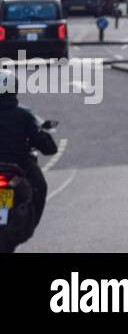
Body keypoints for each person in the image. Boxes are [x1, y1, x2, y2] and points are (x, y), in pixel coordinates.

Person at [0, 68, 58, 236]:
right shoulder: (23, 115)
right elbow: (48, 148)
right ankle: (30, 225)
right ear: (14, 89)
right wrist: (43, 136)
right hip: (18, 168)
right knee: (40, 186)